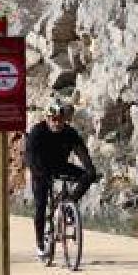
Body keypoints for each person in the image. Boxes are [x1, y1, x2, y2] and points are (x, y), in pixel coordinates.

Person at [24, 100, 99, 260]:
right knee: (41, 206)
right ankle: (40, 244)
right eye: (54, 119)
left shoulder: (69, 133)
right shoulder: (37, 132)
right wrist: (39, 173)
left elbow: (81, 151)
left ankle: (69, 204)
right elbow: (30, 157)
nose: (57, 123)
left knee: (89, 175)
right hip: (40, 169)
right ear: (47, 118)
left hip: (60, 166)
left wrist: (90, 169)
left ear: (65, 119)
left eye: (60, 119)